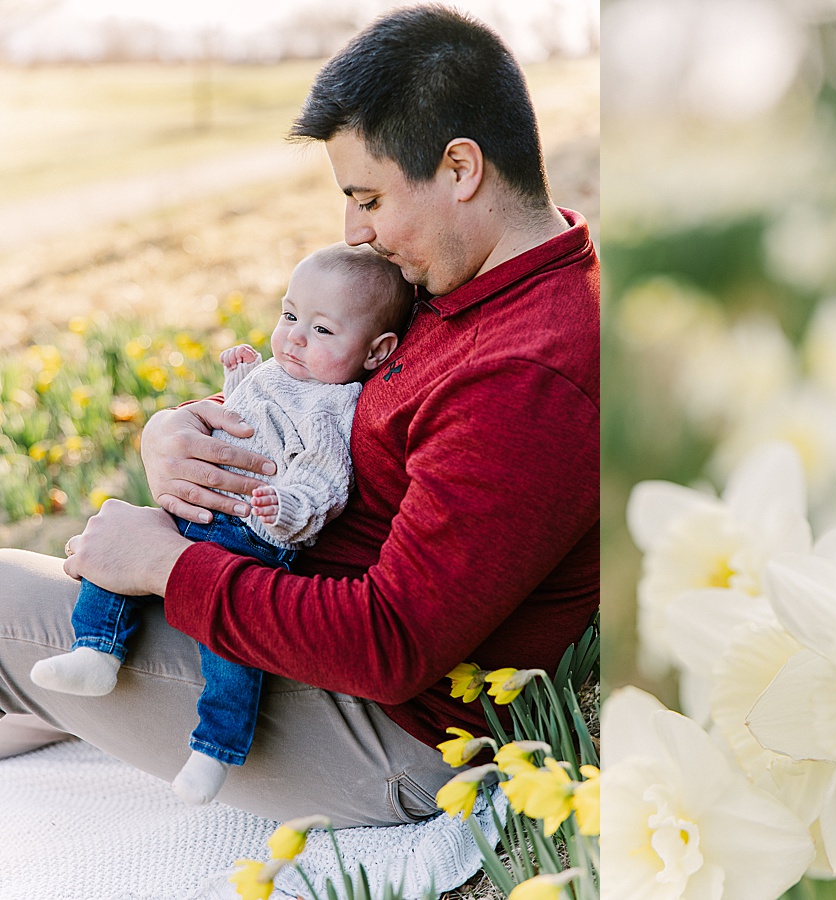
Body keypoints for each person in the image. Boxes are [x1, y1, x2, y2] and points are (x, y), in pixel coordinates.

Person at [0, 4, 598, 828]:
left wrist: (166, 568)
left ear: (461, 167)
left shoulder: (528, 373)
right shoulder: (461, 280)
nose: (355, 230)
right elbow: (325, 395)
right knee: (44, 637)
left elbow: (391, 646)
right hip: (288, 622)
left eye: (369, 197)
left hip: (387, 739)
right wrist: (182, 430)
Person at [29, 242, 411, 807]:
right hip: (204, 509)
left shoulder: (334, 410)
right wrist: (237, 381)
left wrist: (285, 509)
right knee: (114, 547)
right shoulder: (277, 375)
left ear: (376, 353)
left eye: (323, 331)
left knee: (227, 643)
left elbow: (325, 485)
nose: (296, 338)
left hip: (251, 536)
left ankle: (216, 746)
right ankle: (96, 651)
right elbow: (242, 424)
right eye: (288, 316)